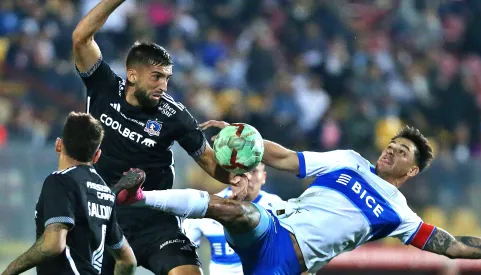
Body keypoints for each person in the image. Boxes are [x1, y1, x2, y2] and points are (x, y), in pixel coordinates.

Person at [115, 121, 481, 275]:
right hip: (274, 230)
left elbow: (453, 247)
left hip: (284, 265)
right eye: (391, 145)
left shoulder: (399, 213)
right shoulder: (349, 161)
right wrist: (244, 135)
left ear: (411, 172)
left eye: (402, 152)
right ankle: (137, 197)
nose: (391, 151)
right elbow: (286, 158)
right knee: (230, 208)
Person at [72, 1, 249, 274]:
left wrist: (235, 177)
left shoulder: (175, 115)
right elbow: (81, 37)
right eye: (156, 77)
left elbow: (208, 160)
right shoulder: (104, 86)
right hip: (102, 216)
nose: (163, 86)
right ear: (132, 74)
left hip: (155, 221)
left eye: (167, 78)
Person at [1, 112, 137, 275]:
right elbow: (128, 260)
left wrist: (9, 270)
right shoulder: (105, 193)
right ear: (97, 155)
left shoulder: (60, 180)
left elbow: (53, 244)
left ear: (58, 145)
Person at [183, 163, 283, 275]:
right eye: (241, 171)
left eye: (253, 171)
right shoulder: (209, 206)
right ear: (231, 175)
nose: (248, 177)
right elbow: (183, 253)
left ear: (263, 177)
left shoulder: (276, 206)